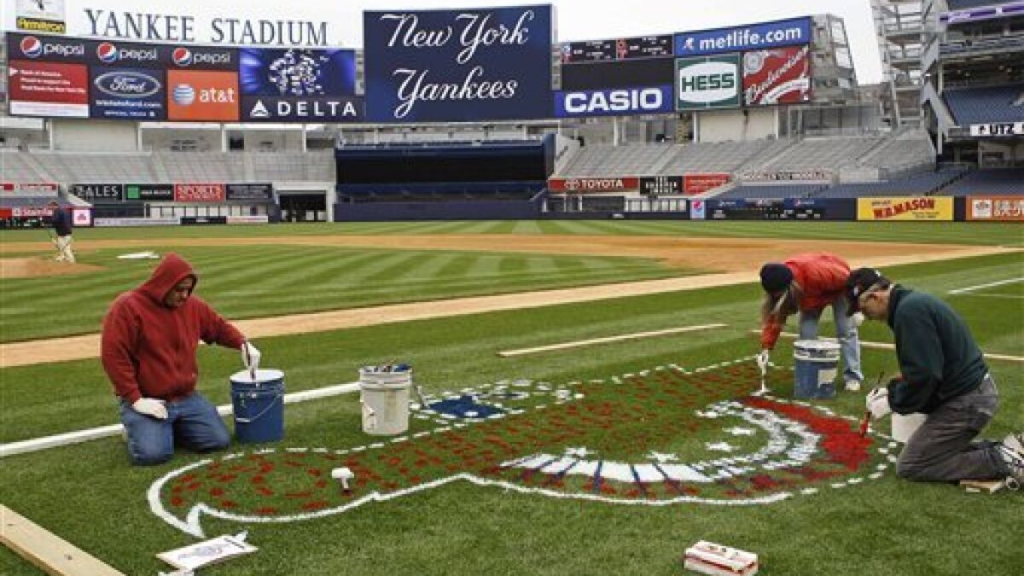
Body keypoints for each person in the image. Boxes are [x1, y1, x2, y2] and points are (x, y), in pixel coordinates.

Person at [847, 268, 1023, 485]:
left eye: (864, 309)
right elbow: (925, 366)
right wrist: (893, 390)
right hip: (973, 395)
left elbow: (925, 375)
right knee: (932, 451)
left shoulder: (908, 312)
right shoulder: (911, 304)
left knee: (912, 465)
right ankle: (1009, 449)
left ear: (875, 296)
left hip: (967, 401)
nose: (866, 317)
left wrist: (894, 401)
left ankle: (1003, 460)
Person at [101, 253, 261, 466]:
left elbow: (217, 327)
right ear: (163, 284)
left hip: (185, 396)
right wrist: (136, 399)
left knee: (217, 441)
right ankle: (135, 428)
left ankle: (169, 426)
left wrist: (242, 343)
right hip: (148, 398)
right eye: (179, 289)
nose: (184, 295)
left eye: (188, 289)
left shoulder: (193, 306)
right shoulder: (128, 307)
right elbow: (114, 356)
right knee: (152, 455)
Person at [757, 253, 864, 391]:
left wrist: (855, 306)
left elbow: (849, 280)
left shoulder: (817, 274)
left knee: (845, 331)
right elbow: (775, 318)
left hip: (840, 289)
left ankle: (853, 377)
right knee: (806, 335)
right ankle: (808, 375)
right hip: (811, 298)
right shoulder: (779, 284)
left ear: (789, 286)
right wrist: (766, 347)